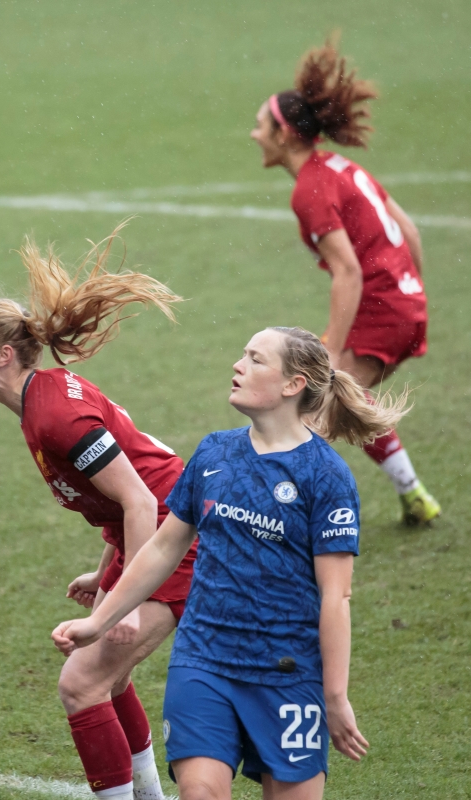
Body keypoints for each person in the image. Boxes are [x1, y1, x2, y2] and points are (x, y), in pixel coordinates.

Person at [53, 326, 395, 800]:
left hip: (287, 672)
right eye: (242, 355)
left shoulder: (326, 477)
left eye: (256, 360)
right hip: (204, 661)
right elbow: (162, 548)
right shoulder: (214, 452)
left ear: (293, 385)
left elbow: (335, 596)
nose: (238, 365)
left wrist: (334, 696)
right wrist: (101, 621)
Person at [0, 226, 193, 800]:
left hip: (180, 537)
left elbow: (141, 499)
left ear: (3, 355)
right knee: (109, 678)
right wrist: (106, 567)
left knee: (81, 684)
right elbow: (128, 488)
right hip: (157, 530)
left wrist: (122, 600)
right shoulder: (41, 403)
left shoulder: (56, 417)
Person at [250, 39, 439, 524]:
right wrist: (412, 294)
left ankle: (297, 525)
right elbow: (410, 231)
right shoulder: (341, 167)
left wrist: (331, 347)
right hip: (406, 307)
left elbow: (349, 272)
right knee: (346, 404)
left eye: (261, 125)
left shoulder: (309, 189)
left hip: (383, 311)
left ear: (287, 134)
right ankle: (412, 494)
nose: (254, 135)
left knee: (308, 412)